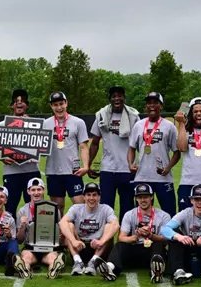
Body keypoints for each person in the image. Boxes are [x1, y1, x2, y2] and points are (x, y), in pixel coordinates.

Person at [89, 86, 139, 217]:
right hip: (108, 169)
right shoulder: (101, 115)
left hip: (128, 169)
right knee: (106, 207)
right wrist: (88, 165)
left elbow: (141, 143)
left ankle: (124, 236)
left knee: (128, 207)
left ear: (124, 98)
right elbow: (94, 143)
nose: (117, 98)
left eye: (120, 95)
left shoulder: (134, 116)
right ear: (110, 99)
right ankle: (107, 237)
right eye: (114, 96)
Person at [106, 183, 169, 283]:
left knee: (158, 245)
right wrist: (135, 237)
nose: (143, 200)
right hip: (135, 248)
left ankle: (156, 271)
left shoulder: (164, 216)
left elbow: (166, 239)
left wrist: (150, 235)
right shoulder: (129, 214)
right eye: (140, 197)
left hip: (152, 251)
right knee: (119, 245)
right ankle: (110, 268)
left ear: (151, 197)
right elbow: (121, 237)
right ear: (136, 198)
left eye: (146, 197)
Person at [128, 92, 179, 215]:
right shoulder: (138, 125)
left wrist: (168, 167)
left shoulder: (169, 126)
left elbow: (177, 152)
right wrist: (130, 164)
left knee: (169, 213)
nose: (152, 106)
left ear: (161, 106)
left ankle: (168, 235)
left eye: (155, 103)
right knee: (142, 214)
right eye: (149, 103)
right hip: (142, 177)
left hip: (163, 177)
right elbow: (131, 148)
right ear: (145, 106)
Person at [0, 89, 43, 216]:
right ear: (11, 105)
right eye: (16, 101)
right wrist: (2, 158)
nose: (19, 104)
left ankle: (33, 233)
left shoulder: (36, 125)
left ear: (27, 105)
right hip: (11, 172)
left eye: (23, 101)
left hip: (31, 170)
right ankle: (11, 234)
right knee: (10, 206)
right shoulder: (2, 124)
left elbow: (43, 147)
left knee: (35, 206)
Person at [58, 182, 119, 280]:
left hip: (98, 248)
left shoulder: (106, 209)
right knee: (69, 225)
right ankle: (77, 261)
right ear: (84, 197)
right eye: (88, 195)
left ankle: (93, 262)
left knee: (109, 226)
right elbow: (62, 223)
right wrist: (74, 241)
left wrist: (101, 241)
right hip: (80, 246)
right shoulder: (76, 208)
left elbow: (115, 225)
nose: (91, 198)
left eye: (94, 195)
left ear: (99, 197)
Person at [43, 92, 90, 212]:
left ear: (66, 103)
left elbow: (83, 146)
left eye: (61, 104)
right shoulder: (45, 124)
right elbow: (39, 148)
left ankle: (79, 231)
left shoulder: (78, 122)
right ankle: (60, 231)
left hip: (73, 171)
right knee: (57, 207)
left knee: (79, 205)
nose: (59, 108)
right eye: (55, 105)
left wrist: (86, 167)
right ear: (51, 106)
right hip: (53, 171)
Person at [14, 178, 66, 279]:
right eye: (33, 190)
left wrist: (60, 237)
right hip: (30, 247)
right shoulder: (22, 211)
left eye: (39, 189)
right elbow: (20, 240)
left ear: (44, 190)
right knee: (26, 257)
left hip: (49, 247)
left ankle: (53, 269)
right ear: (28, 191)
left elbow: (59, 233)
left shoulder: (54, 208)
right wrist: (22, 226)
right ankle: (25, 269)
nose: (36, 192)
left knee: (52, 258)